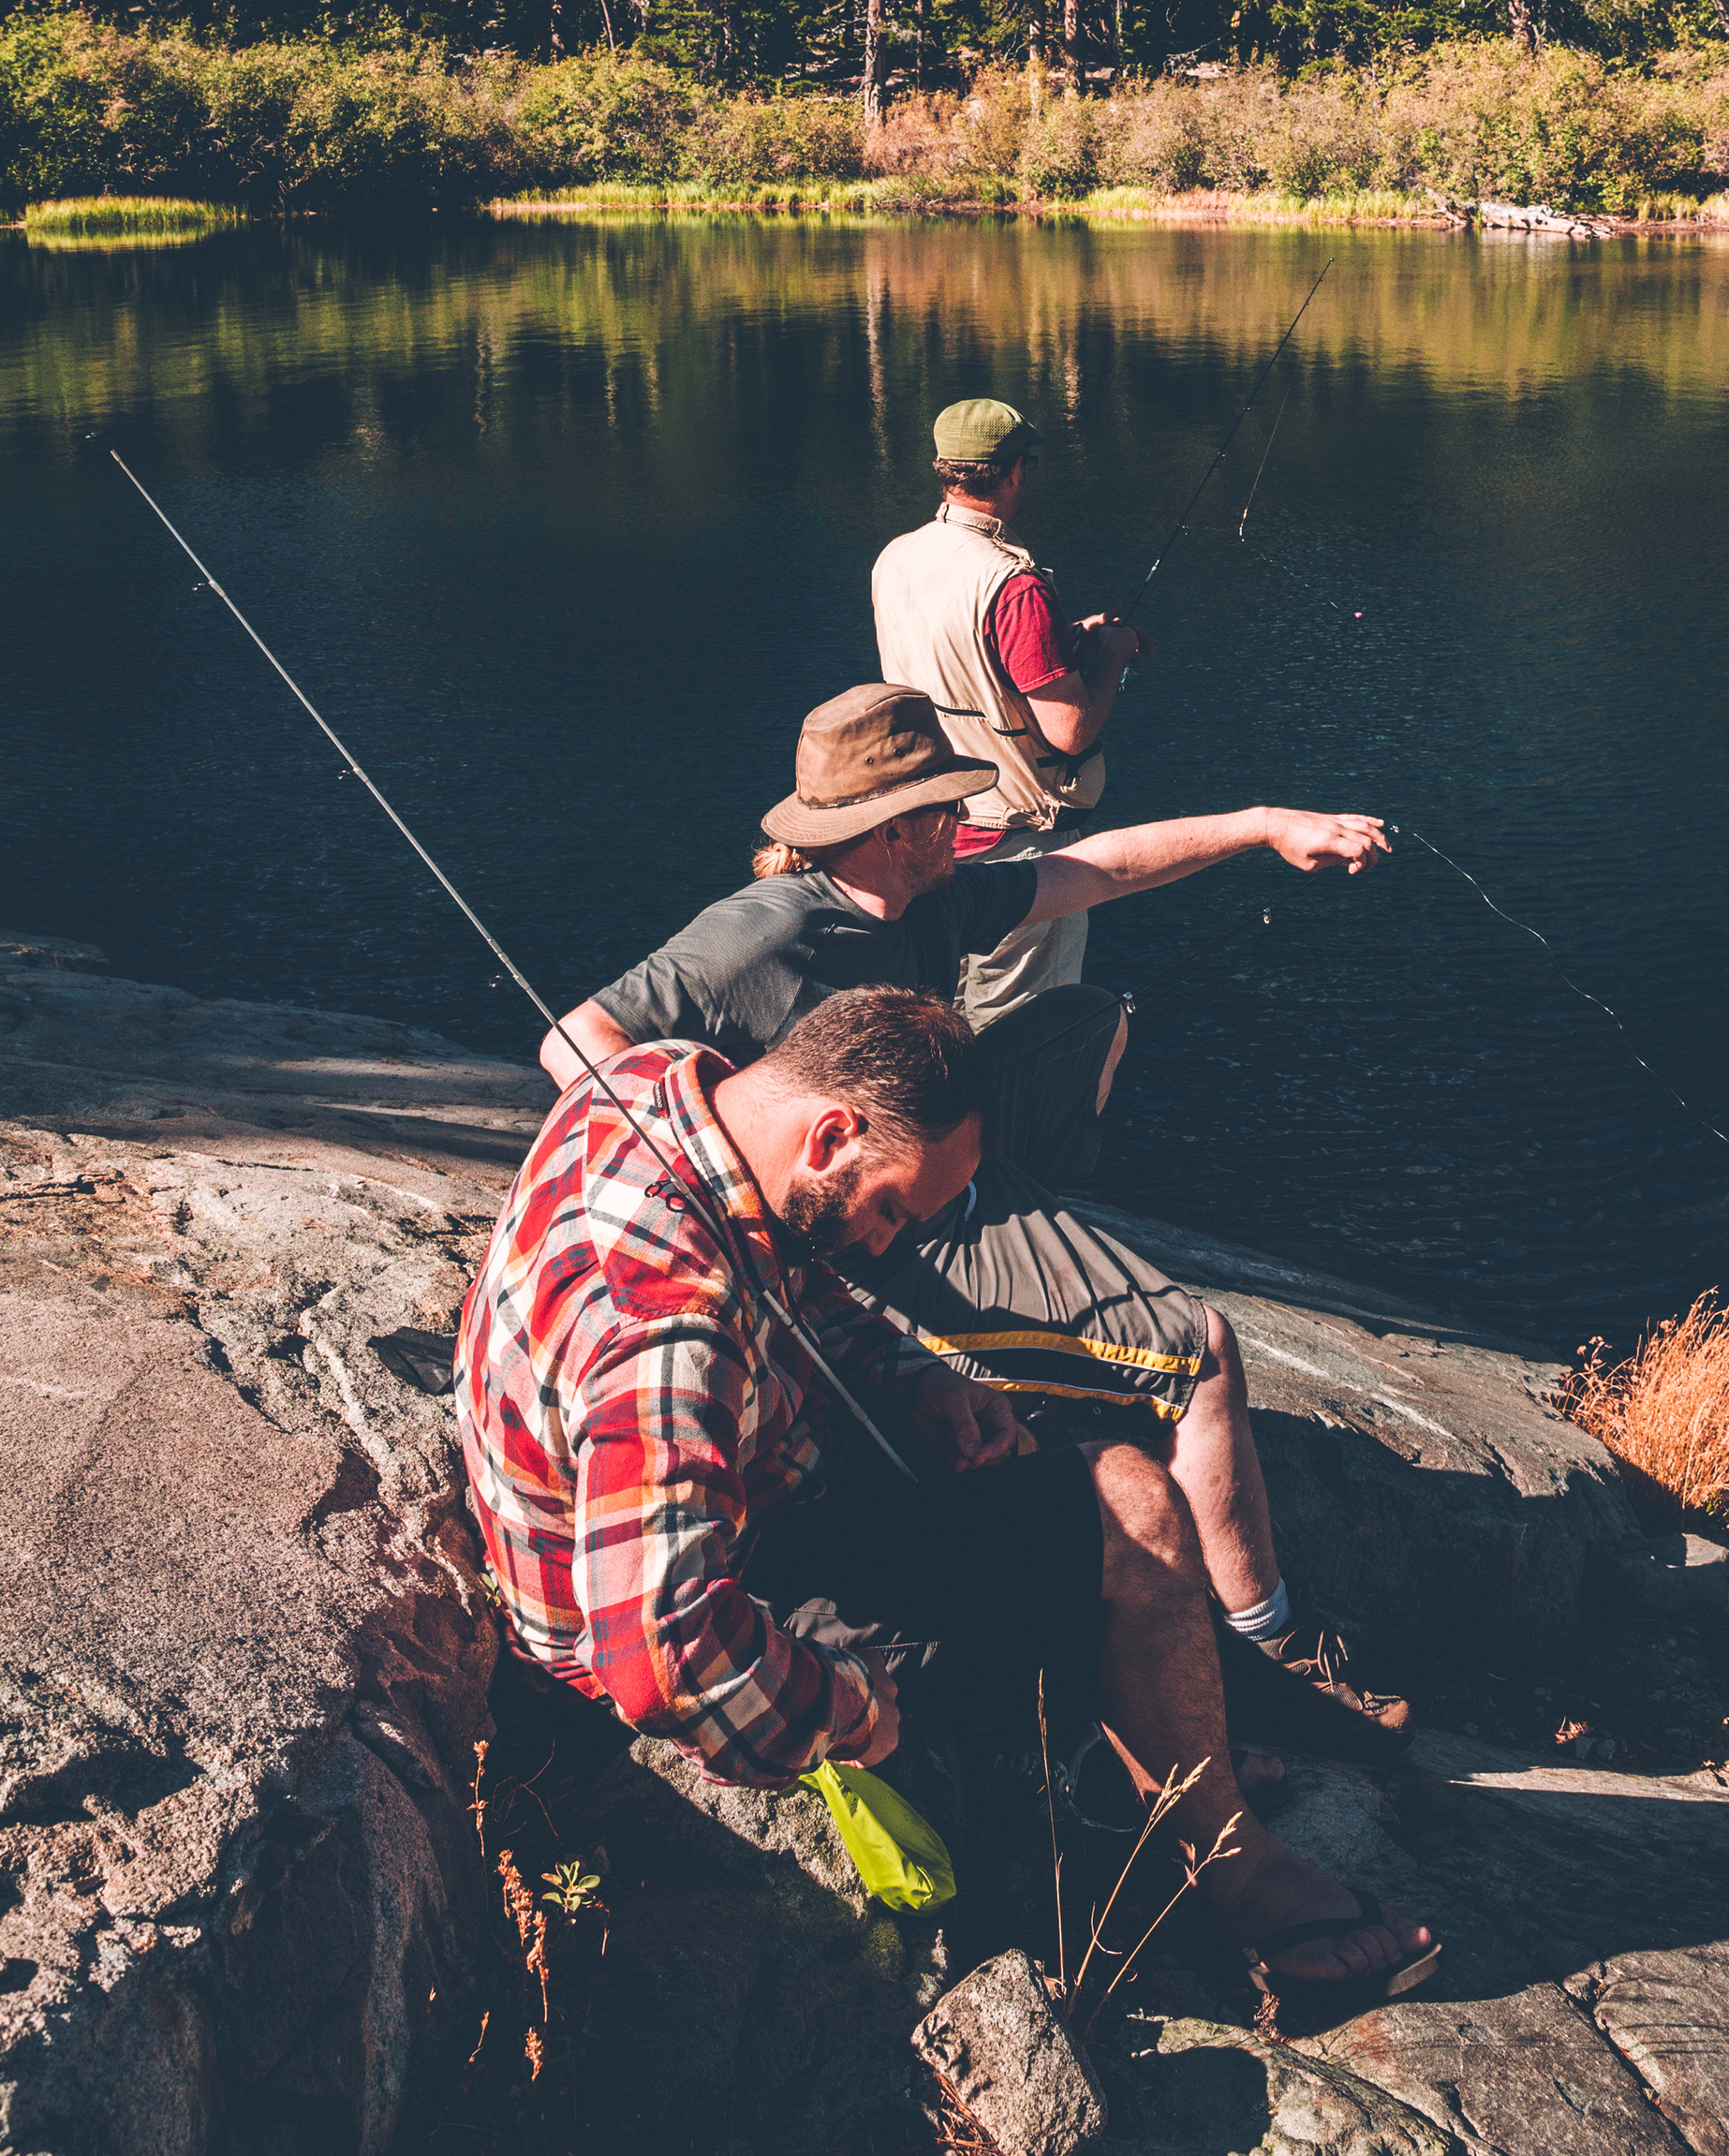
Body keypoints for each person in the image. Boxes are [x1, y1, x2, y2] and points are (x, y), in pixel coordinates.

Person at [456, 979, 1437, 2027]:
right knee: (1130, 1502)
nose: (884, 1245)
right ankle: (1237, 1875)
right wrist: (848, 1710)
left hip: (733, 1504)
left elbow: (797, 1284)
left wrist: (909, 1375)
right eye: (889, 1210)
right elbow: (662, 1662)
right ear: (833, 1132)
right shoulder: (667, 1330)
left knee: (1038, 1462)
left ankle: (1171, 1732)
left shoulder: (656, 1085)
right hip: (708, 1604)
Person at [539, 681, 1412, 1744]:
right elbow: (575, 1041)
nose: (966, 822)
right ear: (892, 828)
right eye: (947, 810)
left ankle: (1044, 1332)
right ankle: (1266, 1647)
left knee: (1084, 1017)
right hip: (862, 1216)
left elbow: (1092, 868)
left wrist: (1264, 826)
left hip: (933, 1165)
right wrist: (718, 1208)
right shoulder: (765, 934)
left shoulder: (924, 897)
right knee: (1200, 1349)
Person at [871, 394, 1146, 1025]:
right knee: (1016, 1035)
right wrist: (1113, 654)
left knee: (936, 1020)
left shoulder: (898, 557)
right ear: (1015, 470)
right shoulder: (1014, 584)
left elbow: (958, 660)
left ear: (944, 467)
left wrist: (1064, 639)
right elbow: (1069, 730)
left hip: (928, 833)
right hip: (1016, 845)